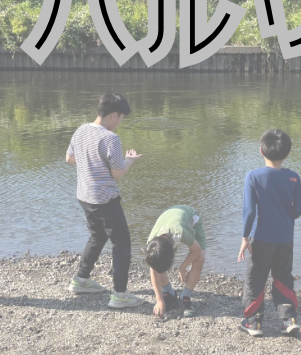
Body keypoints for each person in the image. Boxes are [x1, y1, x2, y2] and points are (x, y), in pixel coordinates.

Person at [66, 93, 146, 309]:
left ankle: (81, 280)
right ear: (114, 115)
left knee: (97, 236)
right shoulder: (111, 139)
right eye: (121, 118)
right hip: (105, 199)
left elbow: (69, 158)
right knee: (122, 242)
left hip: (85, 196)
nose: (120, 123)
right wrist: (129, 160)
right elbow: (117, 173)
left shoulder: (81, 130)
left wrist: (89, 159)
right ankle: (120, 294)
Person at [238, 129, 301, 337]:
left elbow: (249, 212)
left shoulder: (253, 176)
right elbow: (299, 210)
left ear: (261, 151)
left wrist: (245, 237)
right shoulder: (293, 177)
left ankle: (253, 322)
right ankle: (288, 320)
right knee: (283, 277)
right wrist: (284, 216)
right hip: (285, 238)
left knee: (255, 278)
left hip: (261, 238)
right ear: (287, 153)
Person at [142, 205, 207, 318]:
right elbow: (154, 269)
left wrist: (182, 267)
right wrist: (159, 299)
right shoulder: (152, 244)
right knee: (157, 262)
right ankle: (169, 293)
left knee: (200, 259)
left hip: (191, 219)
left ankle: (185, 297)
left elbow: (196, 250)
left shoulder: (180, 233)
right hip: (169, 218)